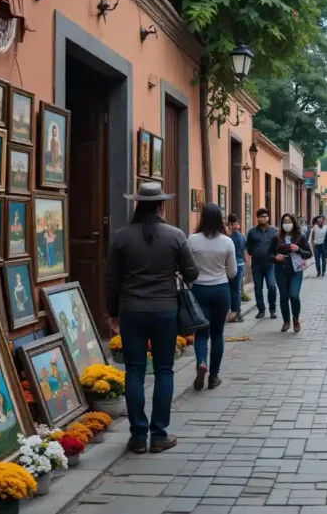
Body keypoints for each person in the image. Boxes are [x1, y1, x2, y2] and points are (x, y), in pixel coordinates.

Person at [106, 182, 199, 454]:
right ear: (161, 204)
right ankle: (159, 434)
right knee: (163, 370)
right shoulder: (175, 235)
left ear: (137, 204)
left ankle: (137, 436)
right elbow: (192, 273)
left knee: (134, 371)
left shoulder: (121, 237)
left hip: (131, 309)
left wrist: (112, 312)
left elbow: (111, 279)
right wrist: (176, 273)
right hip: (165, 309)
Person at [188, 204, 238, 392]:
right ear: (220, 218)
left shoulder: (192, 240)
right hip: (220, 289)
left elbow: (188, 267)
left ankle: (201, 362)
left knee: (201, 333)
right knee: (217, 334)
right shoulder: (227, 241)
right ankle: (214, 376)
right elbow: (232, 272)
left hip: (199, 289)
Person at [269, 213, 310, 333]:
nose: (287, 224)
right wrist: (275, 258)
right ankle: (286, 321)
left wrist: (299, 250)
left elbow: (309, 253)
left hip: (296, 270)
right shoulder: (276, 237)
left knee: (294, 295)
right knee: (284, 296)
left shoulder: (300, 237)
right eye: (284, 222)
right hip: (281, 270)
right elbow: (269, 254)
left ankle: (295, 319)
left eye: (289, 221)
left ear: (294, 222)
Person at [245, 208, 278, 319]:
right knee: (258, 287)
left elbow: (279, 246)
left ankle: (272, 309)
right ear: (257, 218)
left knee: (272, 286)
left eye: (265, 216)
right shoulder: (252, 232)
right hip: (257, 265)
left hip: (270, 264)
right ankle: (261, 310)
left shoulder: (274, 231)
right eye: (261, 216)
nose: (263, 218)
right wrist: (252, 256)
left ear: (268, 218)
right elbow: (248, 247)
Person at [227, 214, 246, 323]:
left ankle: (235, 313)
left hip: (233, 265)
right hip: (239, 264)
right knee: (236, 290)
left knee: (233, 290)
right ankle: (236, 313)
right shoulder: (241, 236)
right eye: (236, 223)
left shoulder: (229, 237)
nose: (237, 225)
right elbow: (244, 250)